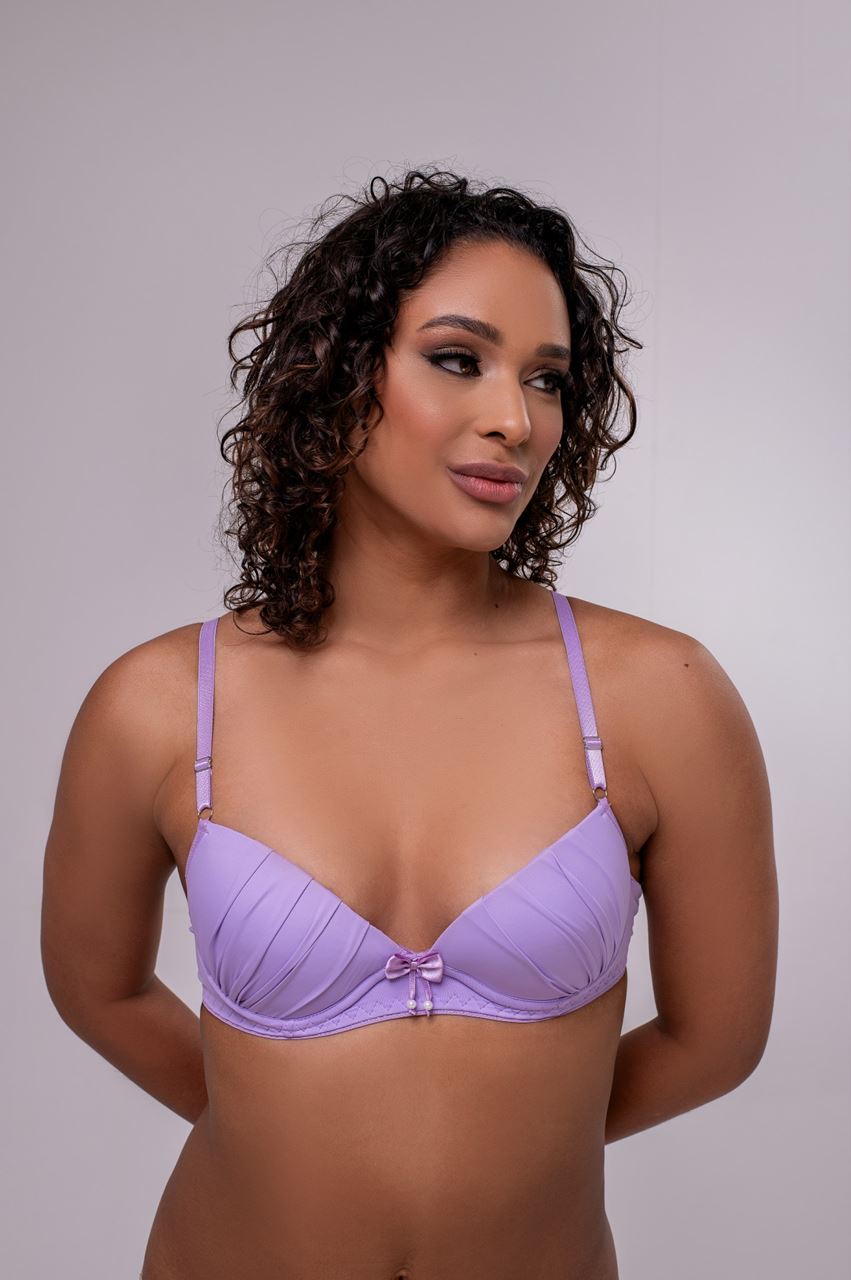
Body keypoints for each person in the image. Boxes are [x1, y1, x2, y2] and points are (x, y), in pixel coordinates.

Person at [40, 168, 778, 1280]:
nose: (514, 419)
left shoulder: (656, 695)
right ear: (336, 374)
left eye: (546, 379)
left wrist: (523, 1145)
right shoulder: (157, 704)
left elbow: (714, 1040)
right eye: (457, 359)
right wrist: (276, 1136)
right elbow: (96, 989)